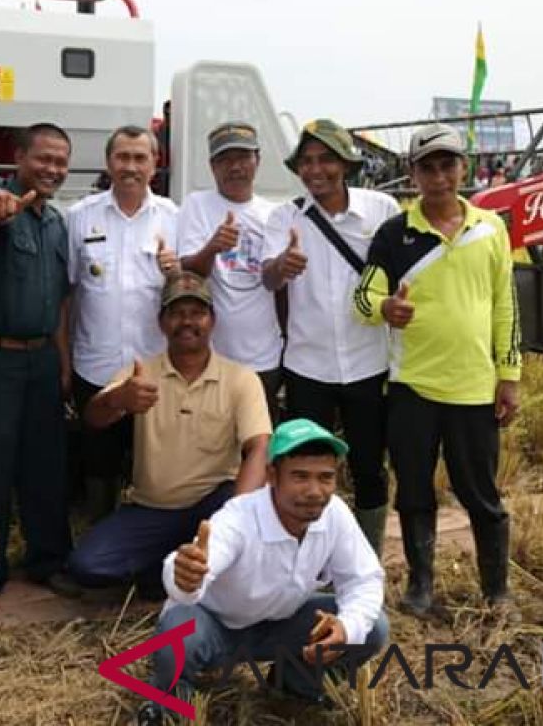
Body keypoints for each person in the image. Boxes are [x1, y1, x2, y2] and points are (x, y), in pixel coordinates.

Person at [353, 124, 521, 617]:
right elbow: (362, 296)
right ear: (414, 173)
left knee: (481, 493)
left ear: (463, 169)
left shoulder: (490, 229)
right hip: (412, 388)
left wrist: (508, 375)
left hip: (474, 388)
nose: (439, 176)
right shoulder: (395, 234)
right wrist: (385, 309)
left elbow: (505, 307)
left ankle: (497, 589)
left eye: (448, 165)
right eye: (428, 167)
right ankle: (420, 587)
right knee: (414, 490)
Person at [136, 419, 388, 726]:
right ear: (271, 475)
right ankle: (172, 705)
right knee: (175, 637)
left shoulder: (334, 513)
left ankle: (295, 687)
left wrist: (345, 629)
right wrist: (185, 575)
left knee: (372, 627)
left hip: (282, 626)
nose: (314, 491)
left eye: (325, 477)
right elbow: (201, 561)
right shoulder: (239, 517)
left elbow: (364, 580)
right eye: (300, 476)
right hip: (215, 627)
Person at [68, 272, 271, 593]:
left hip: (214, 507)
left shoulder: (241, 379)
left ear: (213, 321)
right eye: (176, 313)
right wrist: (119, 399)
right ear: (162, 323)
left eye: (197, 313)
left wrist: (237, 517)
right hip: (151, 510)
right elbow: (93, 417)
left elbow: (259, 448)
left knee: (249, 546)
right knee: (87, 565)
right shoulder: (141, 374)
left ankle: (179, 569)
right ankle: (171, 570)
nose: (187, 322)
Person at [262, 119, 400, 553]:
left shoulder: (382, 210)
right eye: (306, 161)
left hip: (368, 363)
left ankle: (368, 558)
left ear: (346, 164)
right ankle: (312, 557)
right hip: (308, 368)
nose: (315, 169)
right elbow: (267, 277)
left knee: (368, 468)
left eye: (325, 159)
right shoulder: (284, 218)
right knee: (308, 470)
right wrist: (282, 266)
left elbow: (402, 272)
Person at [0, 122, 76, 595]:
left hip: (42, 359)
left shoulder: (55, 223)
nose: (52, 169)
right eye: (43, 158)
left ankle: (49, 560)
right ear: (19, 159)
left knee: (45, 464)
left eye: (61, 162)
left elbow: (62, 302)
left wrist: (63, 363)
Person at [66, 125, 179, 518]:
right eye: (122, 157)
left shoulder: (173, 219)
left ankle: (147, 557)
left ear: (155, 164)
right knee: (99, 469)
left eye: (140, 158)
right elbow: (67, 297)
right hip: (95, 370)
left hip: (156, 372)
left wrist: (175, 272)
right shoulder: (79, 217)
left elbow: (188, 296)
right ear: (108, 162)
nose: (130, 166)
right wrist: (64, 365)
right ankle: (98, 553)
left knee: (156, 472)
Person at [178, 121, 282, 422]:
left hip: (264, 356)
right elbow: (188, 276)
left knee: (258, 443)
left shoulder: (275, 213)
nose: (235, 167)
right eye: (225, 159)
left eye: (243, 158)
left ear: (257, 161)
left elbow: (275, 283)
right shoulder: (196, 205)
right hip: (211, 355)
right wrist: (212, 247)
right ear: (212, 166)